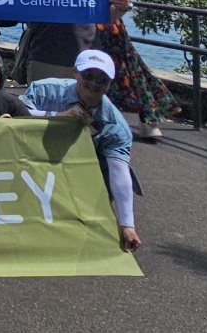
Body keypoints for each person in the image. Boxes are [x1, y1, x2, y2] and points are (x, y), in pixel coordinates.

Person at [22, 50, 142, 252]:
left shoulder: (117, 125)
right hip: (37, 154)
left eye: (102, 79)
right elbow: (13, 114)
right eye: (88, 75)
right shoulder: (44, 90)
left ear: (110, 82)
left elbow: (119, 172)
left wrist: (127, 224)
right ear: (75, 72)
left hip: (85, 167)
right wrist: (55, 116)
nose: (94, 83)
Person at [74, 0, 179, 141]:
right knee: (131, 72)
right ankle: (149, 119)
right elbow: (124, 0)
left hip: (88, 29)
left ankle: (96, 120)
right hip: (114, 28)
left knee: (91, 72)